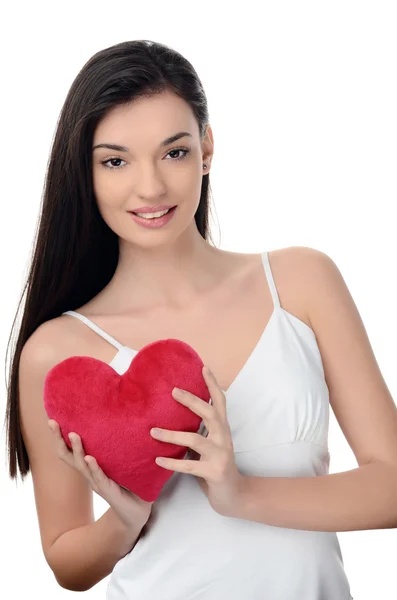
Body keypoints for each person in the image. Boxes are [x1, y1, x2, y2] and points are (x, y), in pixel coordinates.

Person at [4, 40, 357, 599]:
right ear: (85, 171)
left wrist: (241, 493)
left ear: (207, 148)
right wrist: (125, 518)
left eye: (173, 152)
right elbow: (66, 562)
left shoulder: (301, 282)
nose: (150, 187)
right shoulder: (57, 349)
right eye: (115, 161)